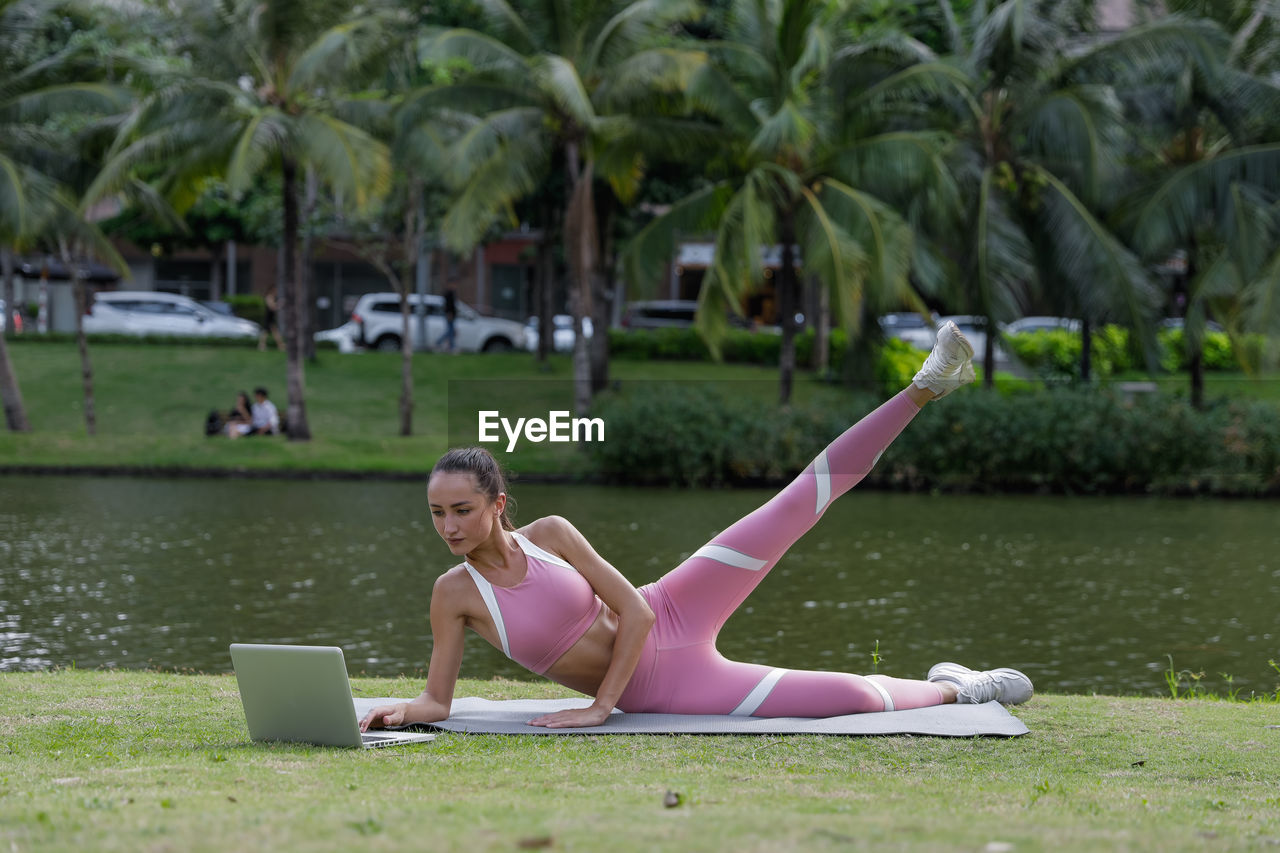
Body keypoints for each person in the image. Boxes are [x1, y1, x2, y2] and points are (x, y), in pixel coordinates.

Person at [361, 322, 1033, 731]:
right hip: (669, 686)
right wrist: (398, 711)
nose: (449, 526)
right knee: (851, 696)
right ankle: (959, 685)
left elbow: (636, 612)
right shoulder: (454, 594)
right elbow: (438, 699)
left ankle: (927, 383)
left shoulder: (554, 534)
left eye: (461, 510)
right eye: (437, 513)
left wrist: (599, 709)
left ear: (497, 504)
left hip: (668, 606)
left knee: (792, 503)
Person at [435, 287, 457, 353]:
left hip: (451, 315)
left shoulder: (451, 293)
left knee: (451, 332)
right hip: (450, 315)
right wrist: (449, 313)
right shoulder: (449, 294)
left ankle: (450, 346)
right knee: (450, 331)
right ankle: (440, 342)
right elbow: (449, 305)